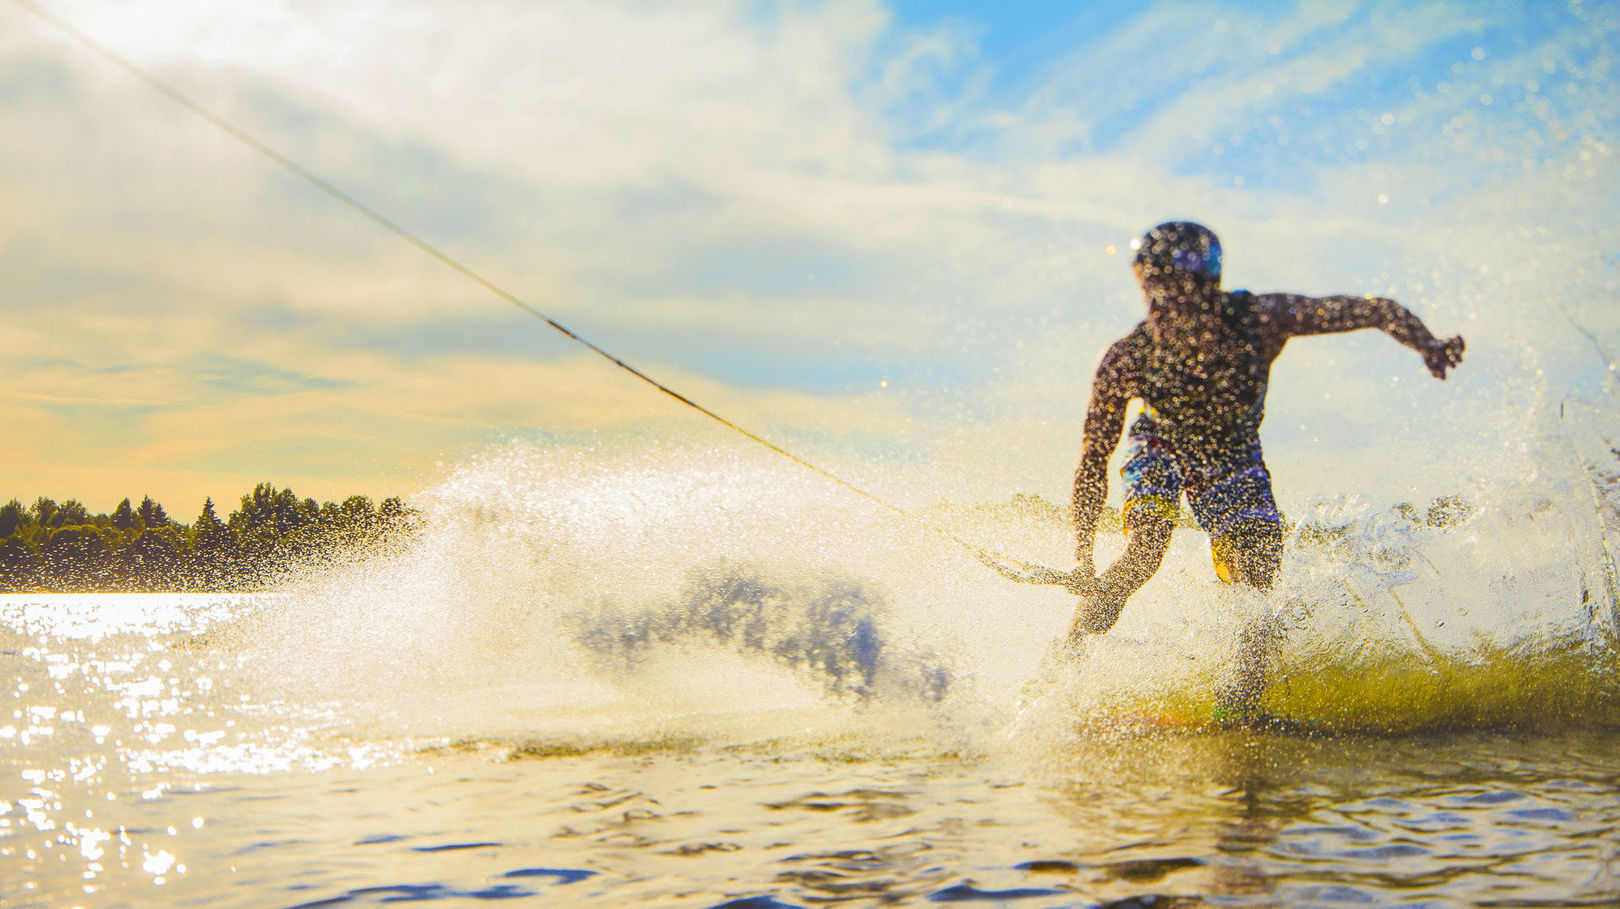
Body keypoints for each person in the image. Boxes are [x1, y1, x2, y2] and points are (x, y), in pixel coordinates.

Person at [1060, 221, 1464, 650]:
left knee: (1258, 578)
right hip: (1161, 443)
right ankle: (1065, 660)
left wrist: (1427, 345)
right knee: (1144, 552)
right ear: (1145, 285)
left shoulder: (1260, 319)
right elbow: (1093, 460)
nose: (1168, 307)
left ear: (1208, 285)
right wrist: (1082, 559)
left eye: (1183, 291)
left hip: (1233, 453)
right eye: (1155, 290)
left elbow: (1376, 310)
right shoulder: (1128, 358)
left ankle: (1242, 706)